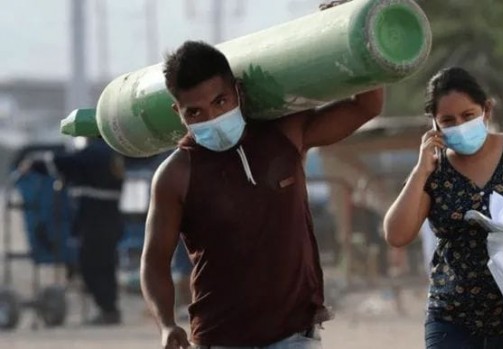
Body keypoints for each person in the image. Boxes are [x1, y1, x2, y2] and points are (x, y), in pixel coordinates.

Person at [139, 40, 383, 348]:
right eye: (195, 112)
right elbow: (154, 261)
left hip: (295, 334)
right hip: (220, 337)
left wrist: (354, 34)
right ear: (178, 112)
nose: (211, 118)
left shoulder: (285, 134)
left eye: (221, 101)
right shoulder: (175, 175)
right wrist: (166, 324)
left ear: (238, 92)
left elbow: (367, 106)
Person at [383, 67, 503, 349]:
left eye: (468, 116)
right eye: (447, 120)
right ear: (434, 124)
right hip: (451, 318)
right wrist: (419, 171)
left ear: (486, 110)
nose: (459, 125)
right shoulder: (434, 171)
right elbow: (396, 235)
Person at [21, 137, 125, 325]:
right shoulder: (112, 154)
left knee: (90, 266)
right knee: (106, 266)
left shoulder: (94, 153)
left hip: (94, 220)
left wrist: (34, 164)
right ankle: (110, 309)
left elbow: (65, 163)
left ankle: (107, 309)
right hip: (110, 219)